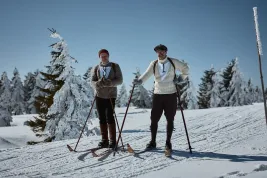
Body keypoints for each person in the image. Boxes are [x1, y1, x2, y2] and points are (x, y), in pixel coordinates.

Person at [132, 44, 189, 153]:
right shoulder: (154, 63)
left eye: (162, 51)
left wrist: (181, 77)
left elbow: (186, 68)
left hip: (171, 94)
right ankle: (153, 142)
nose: (160, 53)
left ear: (166, 52)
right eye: (158, 51)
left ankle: (168, 143)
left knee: (170, 119)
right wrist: (139, 81)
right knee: (154, 119)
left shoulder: (173, 62)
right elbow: (147, 74)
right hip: (158, 94)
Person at [91, 49, 123, 149]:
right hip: (99, 95)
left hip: (110, 95)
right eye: (102, 56)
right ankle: (104, 140)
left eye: (105, 56)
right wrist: (97, 84)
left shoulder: (114, 66)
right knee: (101, 117)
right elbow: (92, 81)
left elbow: (120, 80)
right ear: (99, 57)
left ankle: (113, 141)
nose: (104, 57)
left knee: (110, 116)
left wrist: (110, 83)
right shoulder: (96, 67)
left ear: (108, 56)